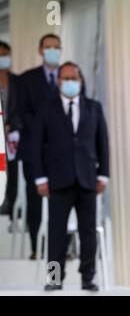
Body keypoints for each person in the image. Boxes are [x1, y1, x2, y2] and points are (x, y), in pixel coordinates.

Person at [32, 62, 109, 292]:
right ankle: (55, 279)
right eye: (65, 78)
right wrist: (40, 178)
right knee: (57, 234)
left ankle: (88, 277)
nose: (69, 82)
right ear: (58, 82)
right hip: (58, 180)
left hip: (88, 180)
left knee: (88, 233)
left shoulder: (94, 107)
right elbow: (36, 146)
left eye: (73, 78)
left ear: (80, 80)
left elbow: (102, 143)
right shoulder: (46, 108)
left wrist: (104, 174)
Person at [18, 34, 62, 259]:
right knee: (35, 198)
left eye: (56, 47)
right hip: (34, 150)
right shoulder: (27, 79)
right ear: (40, 50)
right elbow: (22, 112)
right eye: (48, 47)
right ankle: (36, 246)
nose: (52, 50)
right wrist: (43, 131)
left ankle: (63, 248)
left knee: (63, 198)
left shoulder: (69, 76)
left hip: (62, 152)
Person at [0, 41, 21, 220]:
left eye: (5, 53)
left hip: (12, 136)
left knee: (13, 172)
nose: (2, 57)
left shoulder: (18, 81)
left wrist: (12, 124)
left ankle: (12, 207)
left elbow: (24, 107)